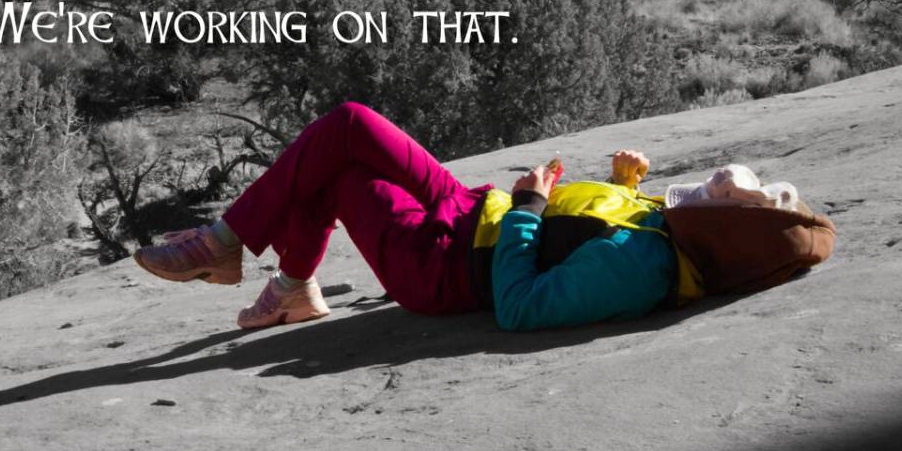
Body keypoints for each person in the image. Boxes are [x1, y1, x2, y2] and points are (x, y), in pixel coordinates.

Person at [133, 101, 832, 331]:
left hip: (440, 266)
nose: (714, 184)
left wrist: (528, 200)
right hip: (469, 213)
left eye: (725, 195)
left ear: (727, 231)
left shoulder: (644, 266)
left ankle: (240, 254)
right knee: (342, 136)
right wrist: (624, 182)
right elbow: (593, 225)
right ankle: (282, 282)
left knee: (341, 151)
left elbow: (522, 305)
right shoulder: (666, 229)